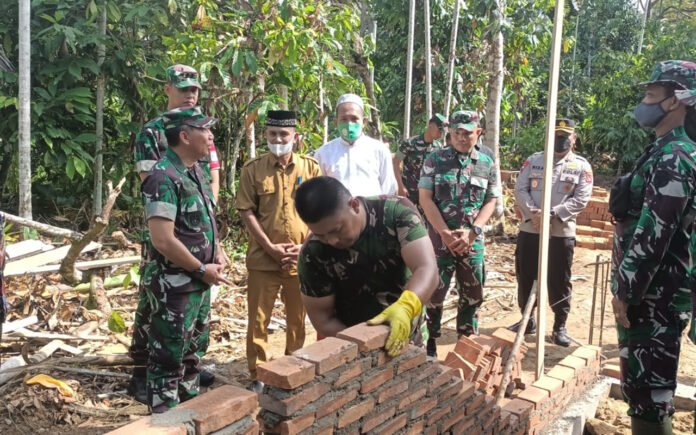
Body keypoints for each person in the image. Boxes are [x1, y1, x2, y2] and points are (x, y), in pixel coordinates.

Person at [610, 60, 696, 435]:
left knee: (649, 391)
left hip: (652, 297)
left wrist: (626, 292)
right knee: (642, 387)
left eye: (650, 94)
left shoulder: (675, 158)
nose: (643, 102)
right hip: (652, 292)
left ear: (675, 101)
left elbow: (654, 233)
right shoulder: (663, 150)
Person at [129, 64, 222, 402]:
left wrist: (213, 245)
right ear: (167, 89)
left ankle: (186, 380)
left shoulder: (198, 137)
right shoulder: (154, 135)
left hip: (197, 246)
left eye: (194, 89)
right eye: (183, 88)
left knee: (193, 329)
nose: (190, 94)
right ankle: (146, 373)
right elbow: (155, 191)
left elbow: (209, 180)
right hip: (169, 240)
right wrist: (196, 260)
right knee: (158, 311)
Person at [140, 107, 231, 413]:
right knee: (168, 361)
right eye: (204, 130)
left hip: (198, 285)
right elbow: (163, 239)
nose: (211, 135)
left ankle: (190, 416)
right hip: (175, 289)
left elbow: (202, 221)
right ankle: (165, 423)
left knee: (192, 357)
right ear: (184, 136)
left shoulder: (195, 171)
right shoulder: (162, 177)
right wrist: (201, 268)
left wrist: (216, 250)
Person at [295, 176, 438, 357]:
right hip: (353, 343)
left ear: (354, 205)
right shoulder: (313, 253)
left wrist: (406, 306)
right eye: (320, 235)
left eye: (337, 230)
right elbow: (323, 319)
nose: (331, 241)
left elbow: (427, 268)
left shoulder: (395, 212)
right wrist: (364, 346)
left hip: (408, 330)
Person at [235, 110, 321, 392]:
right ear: (265, 136)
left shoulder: (310, 169)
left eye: (283, 134)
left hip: (300, 260)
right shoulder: (253, 169)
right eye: (272, 134)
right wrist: (269, 247)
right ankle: (258, 374)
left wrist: (304, 245)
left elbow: (320, 211)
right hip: (263, 260)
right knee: (258, 320)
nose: (278, 139)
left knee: (297, 320)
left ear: (295, 137)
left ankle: (292, 369)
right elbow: (246, 211)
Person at [418, 110, 499, 357]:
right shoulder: (435, 159)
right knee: (433, 295)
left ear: (479, 133)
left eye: (468, 133)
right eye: (458, 133)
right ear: (450, 133)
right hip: (439, 242)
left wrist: (473, 232)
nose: (463, 138)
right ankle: (429, 344)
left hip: (472, 243)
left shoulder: (486, 161)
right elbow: (425, 199)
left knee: (472, 296)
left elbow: (491, 199)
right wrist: (444, 233)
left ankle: (467, 345)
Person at [511, 118, 593, 347]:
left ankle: (560, 326)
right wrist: (534, 214)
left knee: (559, 279)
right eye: (557, 135)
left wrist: (551, 214)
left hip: (560, 232)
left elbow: (581, 198)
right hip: (531, 228)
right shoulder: (534, 161)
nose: (561, 140)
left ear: (574, 139)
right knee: (526, 275)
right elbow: (520, 188)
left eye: (566, 136)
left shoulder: (581, 166)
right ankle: (527, 320)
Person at [314, 93, 397, 197]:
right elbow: (319, 192)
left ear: (364, 122)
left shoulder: (379, 150)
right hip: (337, 212)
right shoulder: (323, 153)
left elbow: (388, 189)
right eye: (344, 119)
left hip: (372, 212)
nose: (349, 124)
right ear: (336, 122)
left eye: (354, 119)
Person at [393, 114, 446, 205]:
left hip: (428, 196)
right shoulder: (410, 143)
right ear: (431, 125)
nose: (441, 134)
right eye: (439, 129)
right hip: (409, 193)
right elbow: (395, 162)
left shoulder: (438, 147)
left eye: (443, 131)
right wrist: (400, 186)